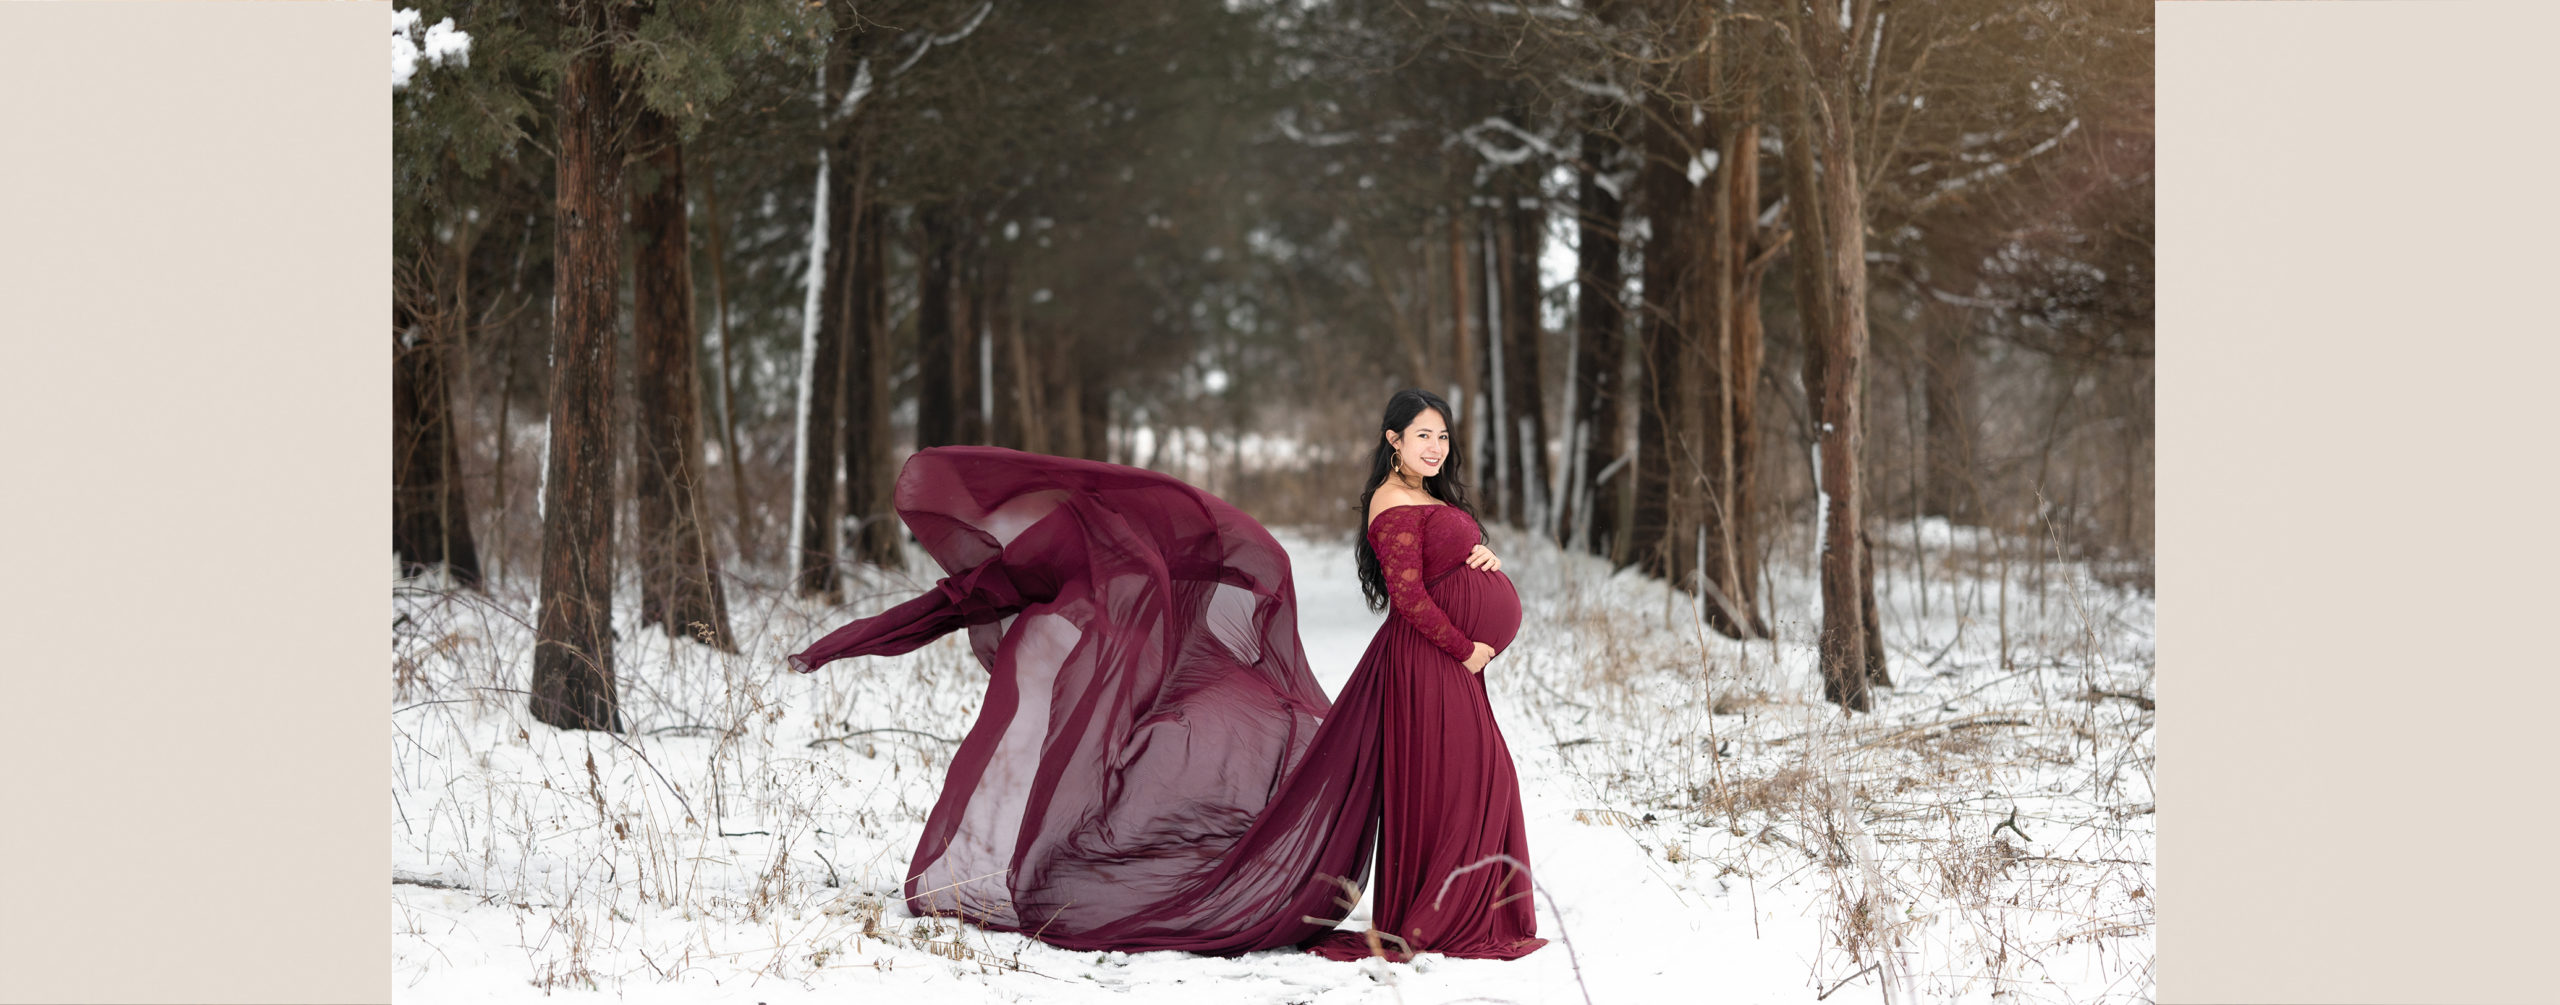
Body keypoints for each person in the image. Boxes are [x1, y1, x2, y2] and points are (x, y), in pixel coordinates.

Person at [787, 388, 1546, 962]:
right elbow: (1407, 594)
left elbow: (1438, 563)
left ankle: (1461, 909)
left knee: (1479, 777)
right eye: (1423, 434)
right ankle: (1441, 917)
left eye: (1443, 435)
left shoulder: (1428, 496)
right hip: (1433, 661)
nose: (1436, 445)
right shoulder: (1391, 500)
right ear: (1392, 440)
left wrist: (1477, 558)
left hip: (1447, 663)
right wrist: (1466, 643)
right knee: (1461, 779)